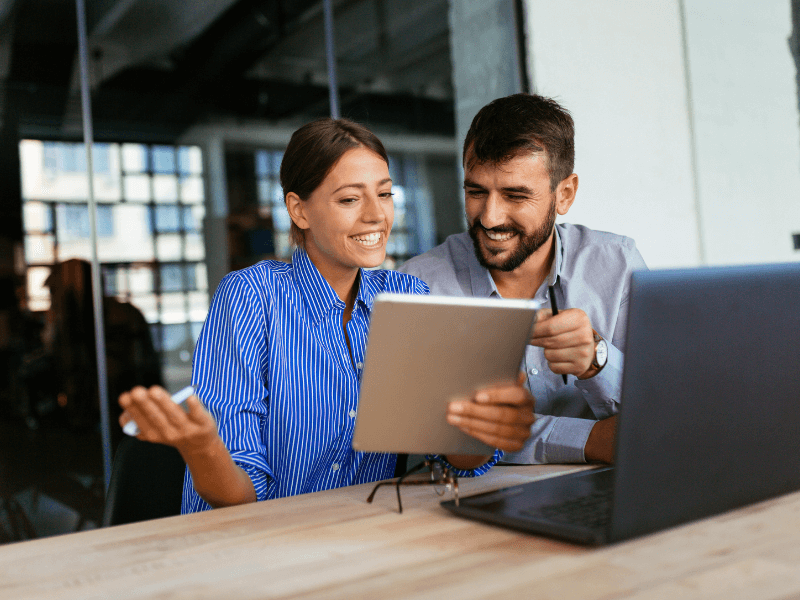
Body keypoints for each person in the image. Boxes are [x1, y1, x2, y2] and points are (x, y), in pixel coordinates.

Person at [119, 118, 535, 513]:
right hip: (250, 548)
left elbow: (457, 458)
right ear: (299, 211)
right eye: (350, 199)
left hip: (356, 535)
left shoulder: (408, 295)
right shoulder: (251, 297)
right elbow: (237, 500)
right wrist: (203, 446)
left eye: (386, 193)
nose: (376, 214)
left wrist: (480, 423)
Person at [401, 93, 648, 465]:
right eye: (476, 192)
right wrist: (588, 439)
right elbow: (439, 439)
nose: (489, 217)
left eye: (515, 195)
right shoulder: (421, 283)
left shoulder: (617, 264)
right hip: (472, 501)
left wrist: (598, 361)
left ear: (564, 194)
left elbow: (662, 410)